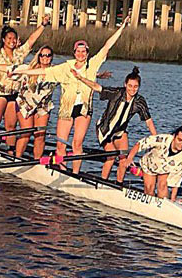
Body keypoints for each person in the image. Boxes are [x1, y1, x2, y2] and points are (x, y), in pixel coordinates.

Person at [15, 17, 128, 173]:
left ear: (87, 53)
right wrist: (22, 71)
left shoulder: (93, 64)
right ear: (74, 53)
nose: (81, 54)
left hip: (84, 110)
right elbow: (44, 71)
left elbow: (107, 45)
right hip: (66, 109)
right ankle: (61, 170)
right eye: (78, 51)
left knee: (77, 144)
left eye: (84, 51)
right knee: (61, 144)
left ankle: (74, 173)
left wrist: (122, 27)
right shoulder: (65, 67)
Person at [0, 17, 48, 148]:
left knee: (11, 126)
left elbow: (31, 40)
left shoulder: (19, 53)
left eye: (14, 39)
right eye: (9, 39)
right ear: (3, 40)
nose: (12, 41)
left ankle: (10, 151)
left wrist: (43, 25)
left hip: (14, 94)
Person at [71, 66, 158, 179]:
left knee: (124, 159)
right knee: (111, 155)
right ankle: (103, 182)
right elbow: (97, 87)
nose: (132, 89)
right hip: (104, 129)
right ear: (125, 85)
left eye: (136, 87)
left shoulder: (140, 102)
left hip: (120, 132)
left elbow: (149, 122)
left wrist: (156, 140)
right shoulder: (116, 93)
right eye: (130, 86)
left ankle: (119, 184)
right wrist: (81, 78)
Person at [0, 46, 58, 160]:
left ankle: (38, 162)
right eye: (42, 55)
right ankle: (17, 158)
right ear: (39, 57)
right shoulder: (28, 68)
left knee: (40, 135)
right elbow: (9, 68)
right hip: (25, 105)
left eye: (48, 55)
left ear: (51, 57)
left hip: (43, 107)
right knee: (26, 133)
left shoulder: (56, 71)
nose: (45, 58)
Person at [119, 119, 182, 200]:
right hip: (149, 165)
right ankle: (141, 174)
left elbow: (176, 181)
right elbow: (140, 144)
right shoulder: (162, 139)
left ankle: (164, 205)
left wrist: (173, 199)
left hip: (164, 169)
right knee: (149, 190)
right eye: (179, 140)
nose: (181, 144)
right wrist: (129, 158)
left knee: (162, 187)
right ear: (174, 136)